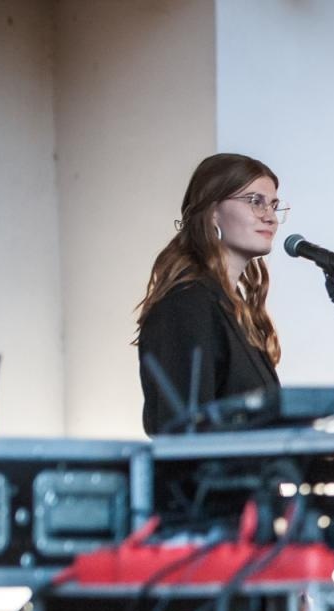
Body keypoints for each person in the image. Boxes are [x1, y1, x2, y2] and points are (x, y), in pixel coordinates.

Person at [137, 153, 286, 435]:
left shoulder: (235, 309)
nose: (270, 217)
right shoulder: (186, 304)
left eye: (274, 205)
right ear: (213, 210)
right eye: (255, 201)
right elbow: (182, 432)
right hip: (214, 480)